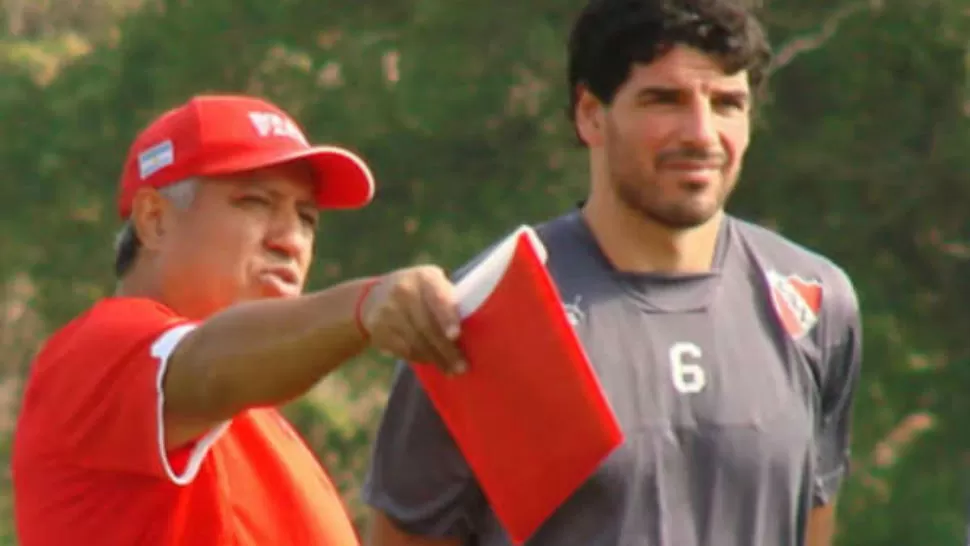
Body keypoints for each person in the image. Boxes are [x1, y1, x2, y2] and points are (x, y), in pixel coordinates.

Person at [362, 0, 863, 545]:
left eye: (727, 104)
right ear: (590, 114)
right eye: (664, 100)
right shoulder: (485, 313)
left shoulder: (815, 302)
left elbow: (813, 524)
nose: (701, 134)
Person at [12, 94, 467, 546]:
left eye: (306, 218)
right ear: (154, 220)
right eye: (255, 202)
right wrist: (364, 304)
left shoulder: (261, 421)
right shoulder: (97, 349)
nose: (291, 241)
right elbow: (208, 368)